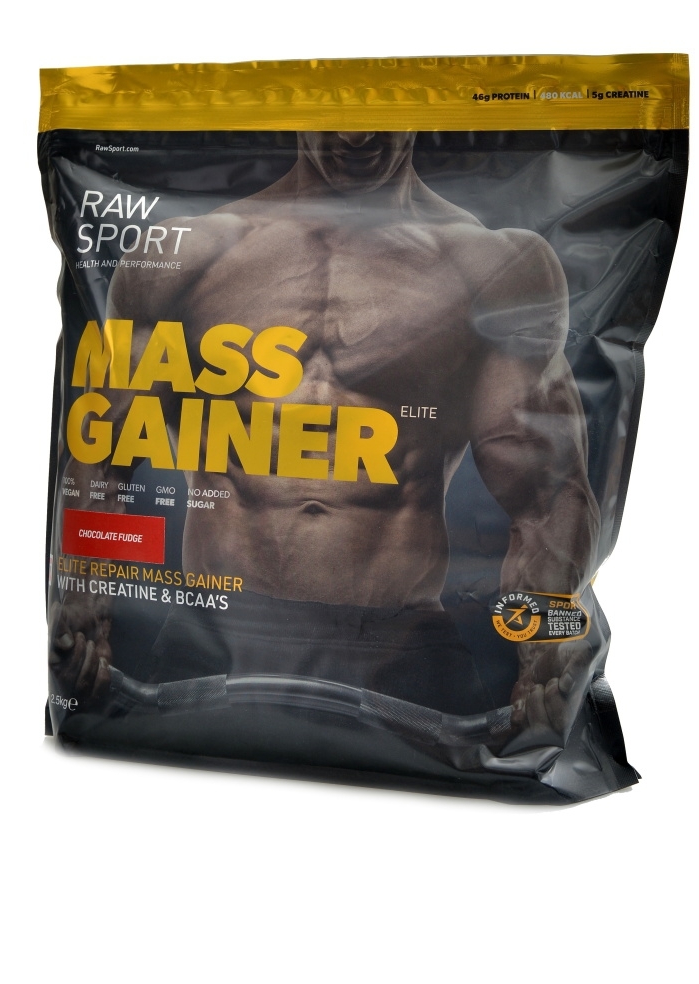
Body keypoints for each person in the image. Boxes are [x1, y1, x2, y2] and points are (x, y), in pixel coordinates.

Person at [49, 130, 600, 747]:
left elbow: (548, 494)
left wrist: (544, 650)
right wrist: (81, 612)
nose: (356, 134)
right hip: (213, 629)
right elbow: (103, 456)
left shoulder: (491, 267)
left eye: (378, 112)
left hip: (401, 642)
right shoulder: (190, 254)